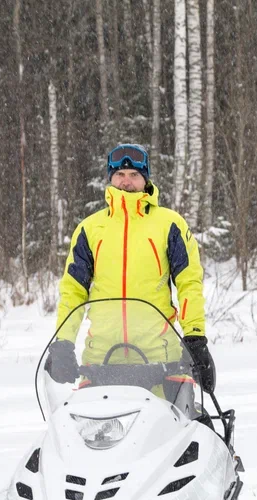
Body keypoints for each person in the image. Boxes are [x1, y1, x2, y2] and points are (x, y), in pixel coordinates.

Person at [46, 143, 216, 392]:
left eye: (134, 174)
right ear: (110, 178)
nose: (126, 182)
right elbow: (73, 292)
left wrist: (195, 337)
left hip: (163, 363)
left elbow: (189, 283)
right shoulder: (89, 229)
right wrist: (62, 342)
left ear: (145, 179)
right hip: (100, 363)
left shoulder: (170, 224)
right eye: (120, 174)